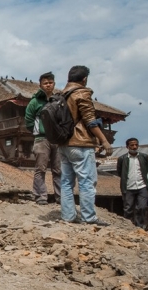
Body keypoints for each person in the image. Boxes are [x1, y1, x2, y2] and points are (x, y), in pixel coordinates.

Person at [57, 66, 113, 226]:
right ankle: (89, 217)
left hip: (63, 144)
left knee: (67, 182)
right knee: (86, 181)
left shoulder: (61, 94)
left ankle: (68, 216)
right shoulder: (81, 93)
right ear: (84, 79)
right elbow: (90, 120)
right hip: (80, 143)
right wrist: (103, 140)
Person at [24, 72, 61, 205]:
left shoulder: (58, 100)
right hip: (41, 139)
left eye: (50, 82)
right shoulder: (35, 101)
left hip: (57, 139)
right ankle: (40, 196)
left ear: (54, 84)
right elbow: (28, 120)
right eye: (45, 83)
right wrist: (38, 131)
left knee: (58, 170)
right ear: (40, 85)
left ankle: (61, 197)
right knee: (41, 168)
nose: (48, 85)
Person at [116, 138, 148, 230]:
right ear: (127, 147)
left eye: (136, 145)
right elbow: (119, 172)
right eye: (132, 145)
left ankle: (140, 226)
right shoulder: (122, 159)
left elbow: (145, 170)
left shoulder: (144, 157)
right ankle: (128, 227)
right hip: (128, 187)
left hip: (142, 186)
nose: (134, 147)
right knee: (128, 208)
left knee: (142, 207)